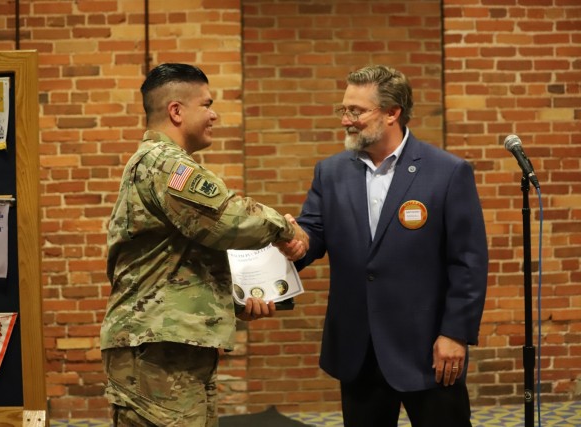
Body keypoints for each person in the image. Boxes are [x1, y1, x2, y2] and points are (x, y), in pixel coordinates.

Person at [100, 63, 309, 427]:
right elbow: (229, 220)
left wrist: (235, 300)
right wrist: (285, 230)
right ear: (176, 111)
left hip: (169, 348)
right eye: (207, 104)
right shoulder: (164, 164)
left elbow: (180, 259)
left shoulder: (161, 164)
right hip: (156, 353)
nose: (214, 114)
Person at [294, 65, 488, 427]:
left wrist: (455, 333)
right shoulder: (330, 171)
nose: (345, 121)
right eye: (344, 110)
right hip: (359, 350)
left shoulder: (447, 172)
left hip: (429, 349)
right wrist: (294, 241)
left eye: (356, 110)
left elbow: (468, 262)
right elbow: (312, 233)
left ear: (392, 112)